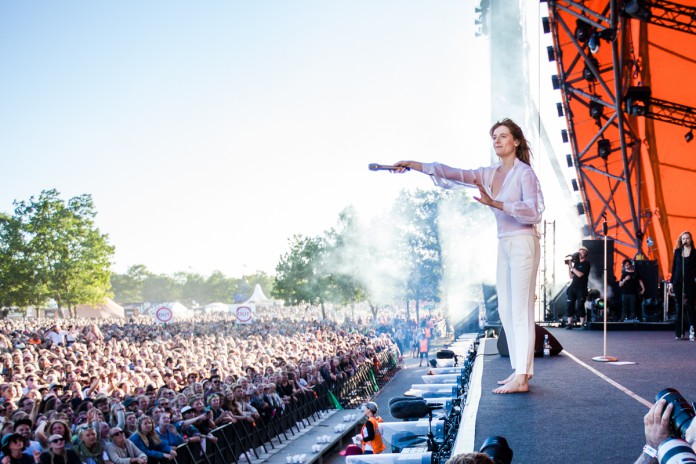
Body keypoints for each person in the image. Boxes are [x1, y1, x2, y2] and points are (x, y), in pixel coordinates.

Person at [394, 118, 544, 394]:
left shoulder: (525, 174)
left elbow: (534, 212)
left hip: (524, 241)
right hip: (504, 243)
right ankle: (519, 371)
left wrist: (496, 203)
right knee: (505, 309)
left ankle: (522, 377)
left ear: (516, 141)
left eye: (502, 136)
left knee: (521, 309)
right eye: (494, 137)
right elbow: (452, 173)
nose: (497, 141)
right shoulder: (488, 173)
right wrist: (415, 165)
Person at [669, 231, 696, 339]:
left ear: (691, 240)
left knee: (690, 307)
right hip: (677, 281)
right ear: (681, 240)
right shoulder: (677, 252)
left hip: (690, 282)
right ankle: (679, 332)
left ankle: (692, 330)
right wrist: (671, 282)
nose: (685, 240)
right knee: (679, 307)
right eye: (683, 239)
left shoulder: (695, 253)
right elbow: (674, 267)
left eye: (687, 238)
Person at [566, 246, 591, 329]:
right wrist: (569, 267)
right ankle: (569, 324)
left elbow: (580, 275)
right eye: (579, 251)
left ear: (586, 253)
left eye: (582, 251)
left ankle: (582, 323)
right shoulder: (576, 263)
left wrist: (572, 268)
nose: (580, 253)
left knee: (580, 306)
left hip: (581, 288)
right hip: (573, 287)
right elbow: (571, 276)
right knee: (570, 305)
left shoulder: (586, 263)